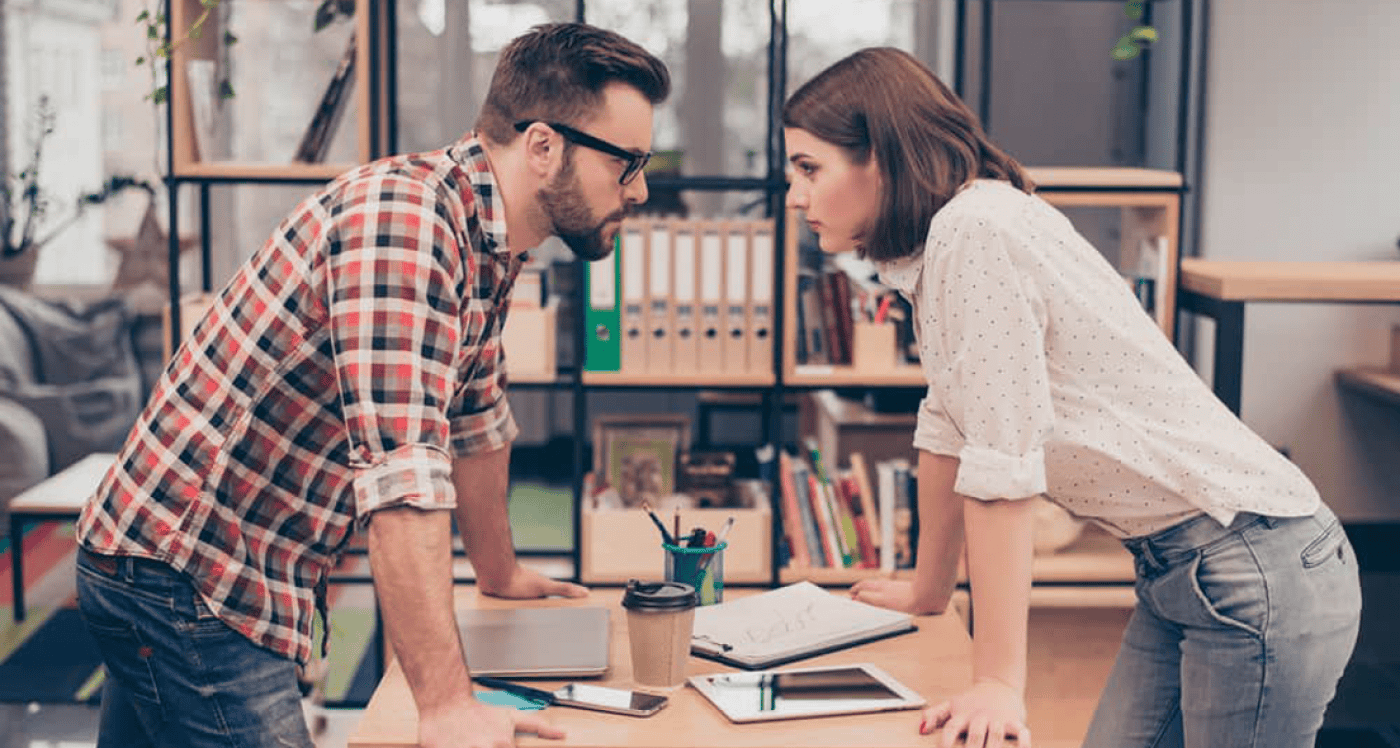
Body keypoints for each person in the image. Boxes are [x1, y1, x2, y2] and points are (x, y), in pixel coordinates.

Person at [74, 23, 669, 748]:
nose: (639, 190)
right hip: (184, 570)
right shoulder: (408, 226)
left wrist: (499, 570)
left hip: (184, 554)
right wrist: (448, 707)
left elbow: (476, 415)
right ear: (542, 147)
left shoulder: (485, 236)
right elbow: (401, 478)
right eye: (628, 163)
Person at [784, 48, 1360, 748]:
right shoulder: (943, 247)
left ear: (882, 155)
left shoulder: (976, 232)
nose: (794, 195)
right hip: (1189, 571)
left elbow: (1002, 465)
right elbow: (947, 427)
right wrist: (927, 588)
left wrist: (998, 681)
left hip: (1252, 569)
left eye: (809, 168)